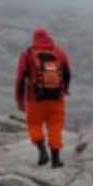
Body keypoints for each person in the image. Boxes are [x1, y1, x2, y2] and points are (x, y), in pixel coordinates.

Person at [15, 28, 71, 168]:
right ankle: (56, 160)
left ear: (34, 39)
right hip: (56, 99)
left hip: (35, 99)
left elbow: (20, 79)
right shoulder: (59, 52)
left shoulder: (28, 54)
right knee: (55, 127)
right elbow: (67, 73)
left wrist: (20, 99)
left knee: (34, 124)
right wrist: (65, 90)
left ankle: (42, 152)